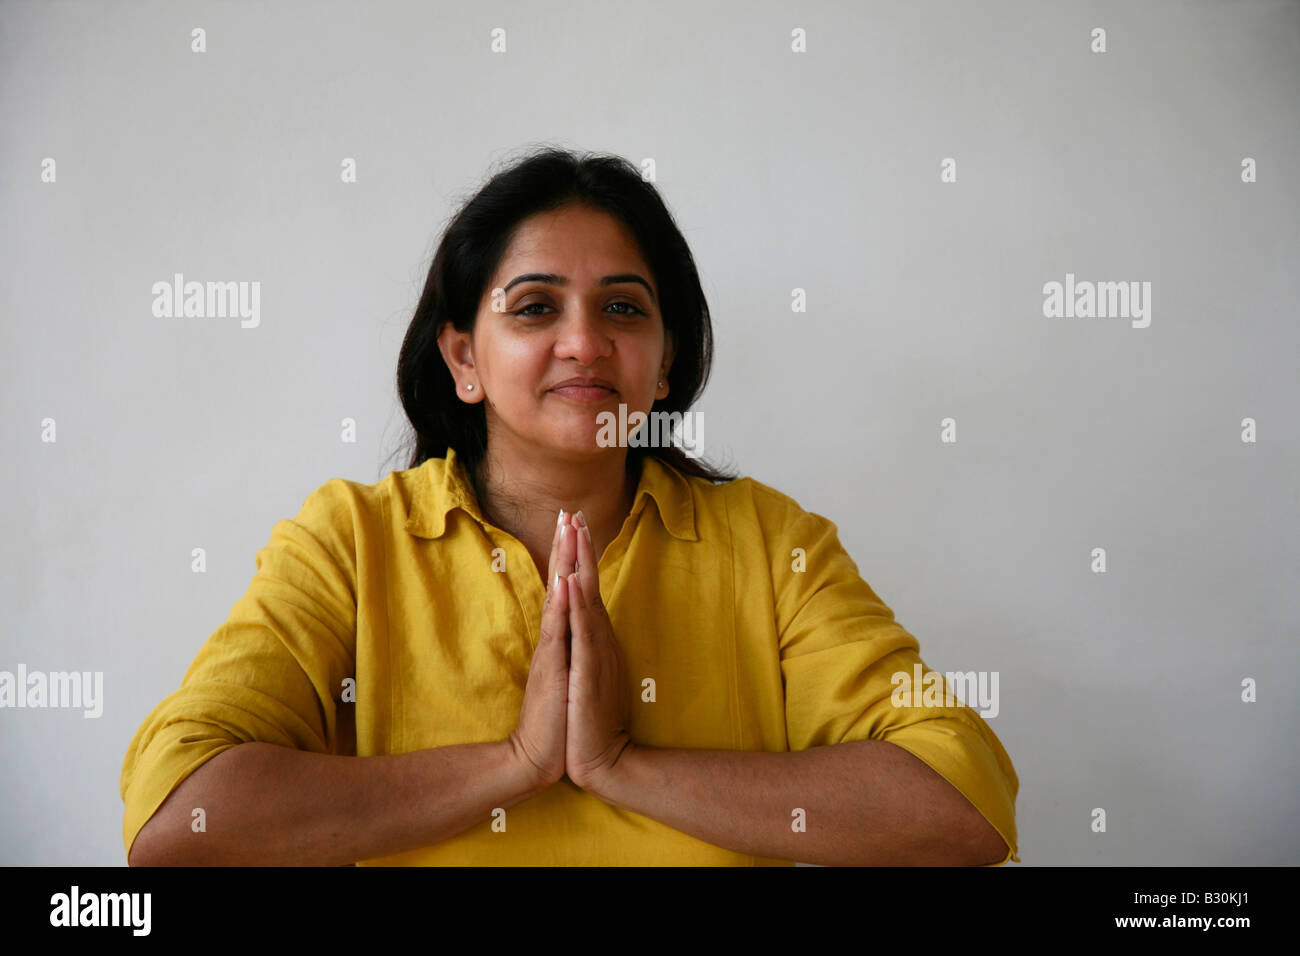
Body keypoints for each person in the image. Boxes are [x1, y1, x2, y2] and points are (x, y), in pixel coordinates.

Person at [121, 146, 1019, 866]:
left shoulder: (770, 544)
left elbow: (959, 805)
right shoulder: (352, 541)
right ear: (464, 359)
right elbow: (180, 815)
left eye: (624, 309)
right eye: (536, 307)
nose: (584, 344)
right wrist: (513, 765)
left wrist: (622, 768)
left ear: (665, 365)